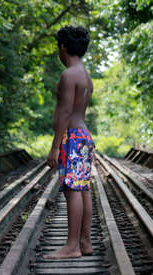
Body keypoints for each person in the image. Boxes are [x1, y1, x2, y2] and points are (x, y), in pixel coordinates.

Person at [45, 26, 95, 259]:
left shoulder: (68, 75)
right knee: (82, 188)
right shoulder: (85, 75)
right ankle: (85, 242)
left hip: (71, 138)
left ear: (63, 47)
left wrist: (55, 147)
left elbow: (64, 113)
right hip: (83, 136)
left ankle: (72, 246)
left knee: (72, 189)